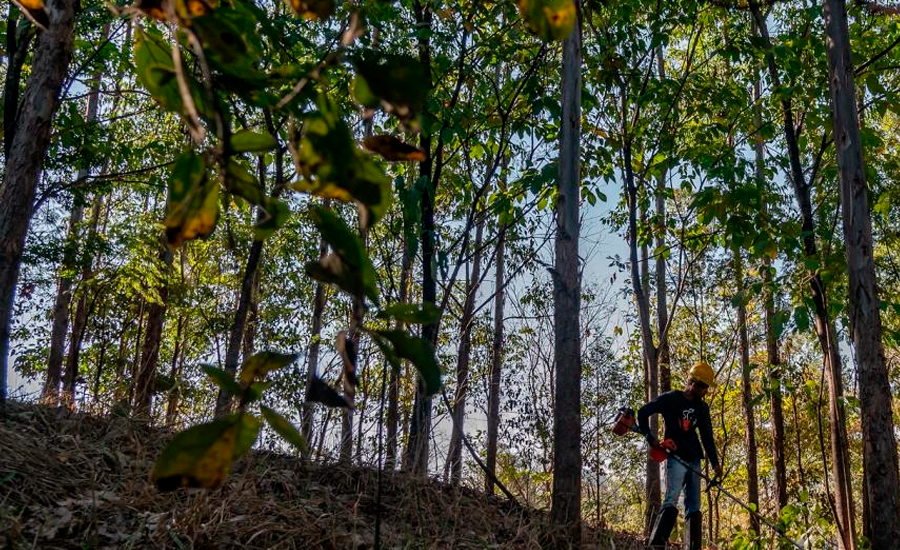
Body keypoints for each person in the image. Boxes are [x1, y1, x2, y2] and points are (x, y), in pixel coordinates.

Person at [638, 361, 723, 550]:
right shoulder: (671, 399)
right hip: (675, 458)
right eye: (703, 387)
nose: (705, 392)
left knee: (694, 507)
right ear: (693, 383)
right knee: (671, 499)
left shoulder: (702, 408)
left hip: (694, 459)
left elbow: (707, 437)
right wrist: (652, 440)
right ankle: (656, 545)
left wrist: (716, 464)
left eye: (707, 388)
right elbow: (642, 413)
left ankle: (692, 547)